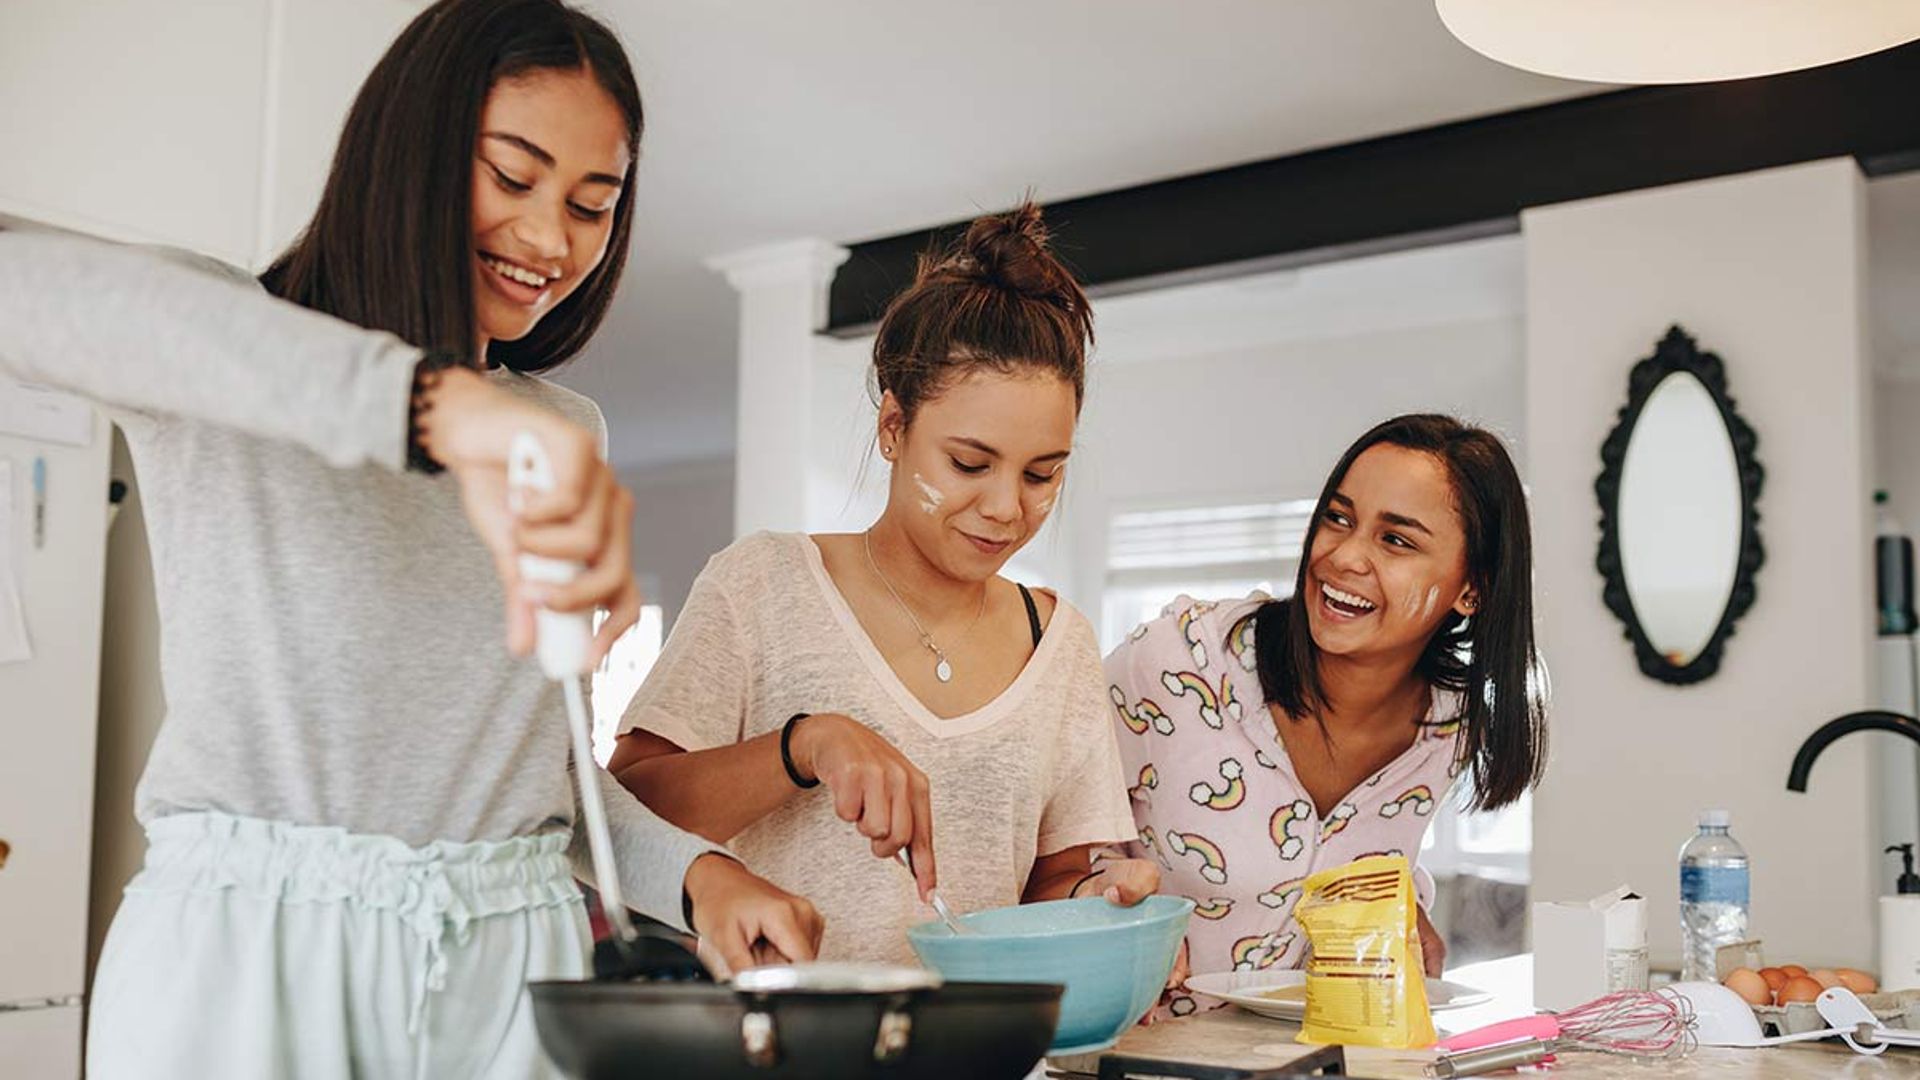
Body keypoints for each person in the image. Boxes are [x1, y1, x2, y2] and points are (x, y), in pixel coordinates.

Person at [0, 2, 818, 1075]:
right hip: (251, 972)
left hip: (506, 977)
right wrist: (427, 406)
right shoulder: (233, 355)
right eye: (512, 176)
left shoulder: (565, 433)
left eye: (592, 204)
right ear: (413, 152)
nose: (549, 239)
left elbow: (531, 780)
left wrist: (699, 875)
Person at [609, 204, 1158, 966]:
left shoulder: (1058, 644)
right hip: (780, 1043)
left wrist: (1098, 903)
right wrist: (804, 746)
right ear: (894, 428)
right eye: (970, 463)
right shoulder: (763, 584)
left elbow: (1051, 881)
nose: (1007, 508)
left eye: (1042, 474)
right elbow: (624, 815)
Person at [1104, 414, 1547, 1017]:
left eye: (1396, 540)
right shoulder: (1180, 660)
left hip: (1306, 1058)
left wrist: (1403, 910)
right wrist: (1113, 912)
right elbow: (1048, 835)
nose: (1344, 556)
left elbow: (1366, 857)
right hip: (1129, 1057)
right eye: (1338, 519)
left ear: (1472, 590)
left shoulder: (1450, 725)